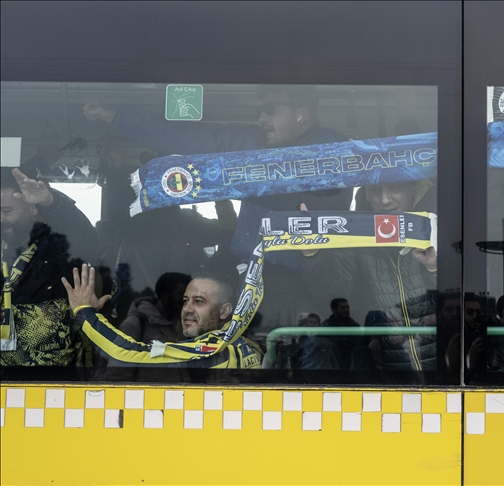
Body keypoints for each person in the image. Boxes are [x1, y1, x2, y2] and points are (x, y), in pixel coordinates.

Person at [83, 86, 353, 333]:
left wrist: (239, 177)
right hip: (249, 280)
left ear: (301, 114)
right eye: (260, 110)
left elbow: (318, 197)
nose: (261, 118)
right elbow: (188, 140)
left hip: (306, 285)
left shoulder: (335, 153)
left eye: (270, 109)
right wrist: (118, 117)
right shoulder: (255, 143)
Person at [299, 180, 437, 373]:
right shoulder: (353, 232)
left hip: (446, 365)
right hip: (387, 369)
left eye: (395, 187)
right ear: (365, 193)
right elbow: (333, 293)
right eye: (375, 190)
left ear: (412, 187)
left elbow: (462, 296)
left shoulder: (437, 221)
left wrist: (435, 268)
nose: (385, 200)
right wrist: (313, 255)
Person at [64, 265, 262, 370]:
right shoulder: (247, 345)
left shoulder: (214, 351)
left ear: (224, 311)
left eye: (199, 301)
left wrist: (85, 312)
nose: (187, 309)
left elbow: (125, 354)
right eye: (185, 301)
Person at [1, 168, 96, 370]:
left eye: (6, 211)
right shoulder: (4, 243)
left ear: (32, 207)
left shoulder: (58, 244)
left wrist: (51, 204)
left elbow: (87, 238)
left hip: (50, 374)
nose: (1, 218)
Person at [321, 298, 361, 369]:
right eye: (343, 308)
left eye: (347, 307)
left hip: (351, 366)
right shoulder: (327, 326)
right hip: (332, 366)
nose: (346, 310)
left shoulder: (354, 326)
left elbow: (358, 346)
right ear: (334, 310)